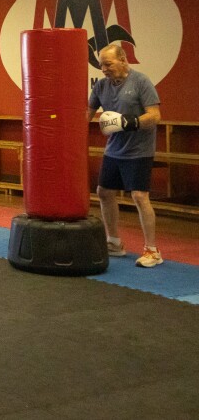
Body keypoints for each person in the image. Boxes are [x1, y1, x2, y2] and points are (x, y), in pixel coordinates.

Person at [88, 43, 163, 268]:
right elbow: (87, 114)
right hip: (114, 150)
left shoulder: (141, 82)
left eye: (108, 64)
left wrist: (132, 122)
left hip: (139, 150)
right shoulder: (101, 86)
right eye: (101, 65)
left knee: (139, 196)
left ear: (123, 59)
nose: (104, 69)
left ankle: (152, 251)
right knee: (104, 192)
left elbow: (155, 115)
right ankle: (114, 243)